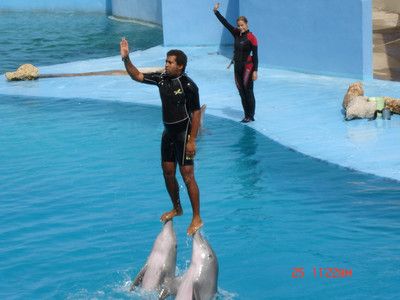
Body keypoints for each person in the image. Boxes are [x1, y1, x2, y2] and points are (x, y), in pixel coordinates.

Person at [120, 38, 203, 235]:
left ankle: (196, 216)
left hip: (184, 135)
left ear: (180, 66)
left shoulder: (189, 86)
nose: (166, 64)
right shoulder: (161, 78)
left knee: (188, 176)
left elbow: (196, 114)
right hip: (168, 133)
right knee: (167, 172)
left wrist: (192, 140)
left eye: (170, 62)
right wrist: (126, 59)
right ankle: (177, 207)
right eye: (166, 61)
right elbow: (137, 76)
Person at [213, 2, 258, 123]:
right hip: (237, 66)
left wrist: (255, 71)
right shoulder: (236, 34)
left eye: (242, 25)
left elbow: (256, 56)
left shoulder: (252, 37)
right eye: (238, 25)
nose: (240, 27)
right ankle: (246, 114)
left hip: (248, 67)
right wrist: (216, 12)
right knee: (241, 91)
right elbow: (225, 23)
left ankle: (251, 115)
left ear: (246, 24)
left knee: (248, 91)